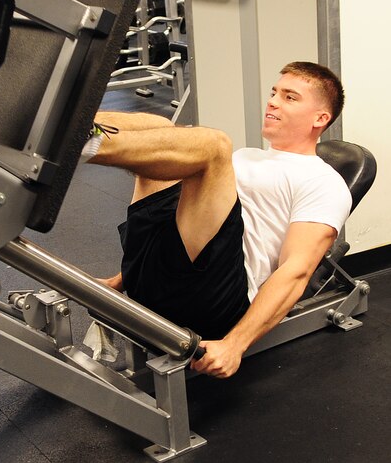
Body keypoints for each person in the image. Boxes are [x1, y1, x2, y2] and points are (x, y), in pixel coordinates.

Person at [85, 61, 351, 378]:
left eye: (290, 97)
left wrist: (234, 345)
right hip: (161, 274)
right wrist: (120, 281)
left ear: (321, 118)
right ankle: (68, 125)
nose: (273, 101)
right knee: (157, 126)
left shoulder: (324, 182)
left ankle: (85, 143)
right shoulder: (248, 156)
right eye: (274, 92)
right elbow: (193, 216)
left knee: (214, 145)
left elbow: (297, 270)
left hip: (215, 300)